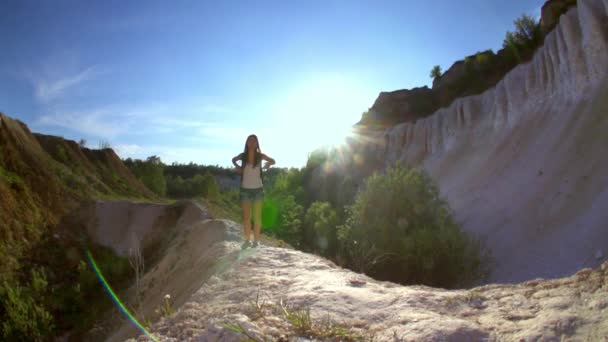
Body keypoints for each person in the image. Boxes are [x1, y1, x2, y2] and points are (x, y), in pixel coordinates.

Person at [232, 134, 275, 249]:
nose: (251, 142)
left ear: (257, 143)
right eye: (249, 140)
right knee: (246, 217)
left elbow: (273, 160)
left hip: (258, 191)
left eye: (254, 141)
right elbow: (233, 159)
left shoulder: (260, 156)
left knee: (257, 217)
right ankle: (247, 241)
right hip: (245, 190)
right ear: (246, 143)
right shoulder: (243, 155)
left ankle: (256, 241)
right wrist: (238, 167)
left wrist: (269, 164)